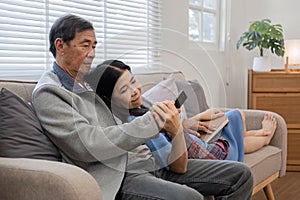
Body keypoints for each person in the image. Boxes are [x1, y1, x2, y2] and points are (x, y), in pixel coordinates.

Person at [32, 14, 253, 200]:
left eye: (94, 46)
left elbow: (132, 102)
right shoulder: (50, 92)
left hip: (154, 162)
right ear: (60, 45)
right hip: (122, 174)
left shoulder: (88, 79)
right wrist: (153, 120)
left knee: (240, 174)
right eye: (85, 45)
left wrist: (178, 122)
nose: (92, 53)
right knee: (190, 198)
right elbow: (88, 143)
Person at [86, 59, 277, 163]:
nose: (135, 91)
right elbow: (172, 157)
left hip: (196, 142)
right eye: (124, 90)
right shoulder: (137, 124)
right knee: (235, 117)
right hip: (207, 154)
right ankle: (263, 137)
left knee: (232, 116)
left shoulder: (142, 107)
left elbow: (173, 128)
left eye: (133, 81)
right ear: (108, 99)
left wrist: (188, 122)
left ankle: (254, 134)